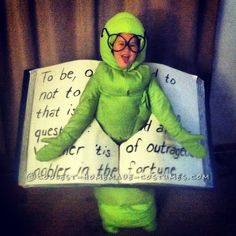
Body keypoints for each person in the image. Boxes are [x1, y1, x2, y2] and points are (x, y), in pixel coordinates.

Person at [36, 12, 206, 233]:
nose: (126, 51)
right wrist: (61, 142)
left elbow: (164, 110)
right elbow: (83, 111)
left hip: (138, 144)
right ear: (107, 44)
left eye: (133, 45)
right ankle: (111, 220)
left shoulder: (146, 76)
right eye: (119, 44)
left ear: (142, 47)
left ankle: (146, 218)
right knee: (107, 185)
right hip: (104, 144)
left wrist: (184, 137)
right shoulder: (100, 76)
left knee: (141, 185)